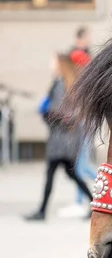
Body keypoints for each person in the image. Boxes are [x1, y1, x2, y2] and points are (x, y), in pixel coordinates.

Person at [25, 53, 93, 221]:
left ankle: (41, 211)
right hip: (67, 139)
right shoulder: (69, 83)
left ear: (60, 65)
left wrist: (46, 113)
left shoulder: (61, 84)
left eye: (53, 61)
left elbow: (60, 112)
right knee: (71, 175)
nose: (51, 64)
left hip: (61, 140)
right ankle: (93, 204)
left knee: (54, 174)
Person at [58, 27, 97, 218]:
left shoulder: (78, 57)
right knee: (80, 165)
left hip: (84, 121)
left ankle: (88, 198)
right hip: (84, 121)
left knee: (81, 166)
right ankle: (80, 201)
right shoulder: (79, 56)